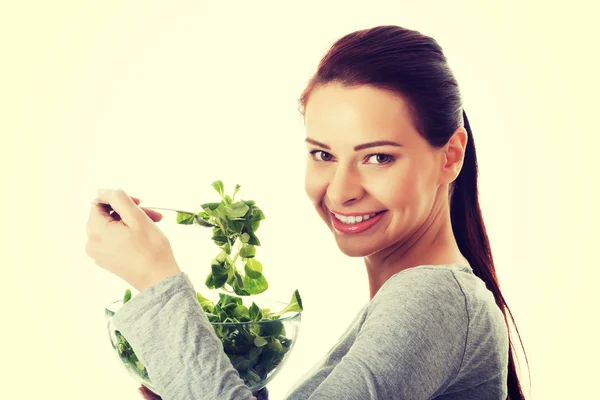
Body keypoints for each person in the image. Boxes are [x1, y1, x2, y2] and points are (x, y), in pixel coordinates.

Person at [85, 25, 528, 399]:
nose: (340, 192)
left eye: (378, 158)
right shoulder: (419, 300)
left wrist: (154, 280)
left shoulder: (434, 297)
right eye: (323, 155)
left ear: (450, 157)